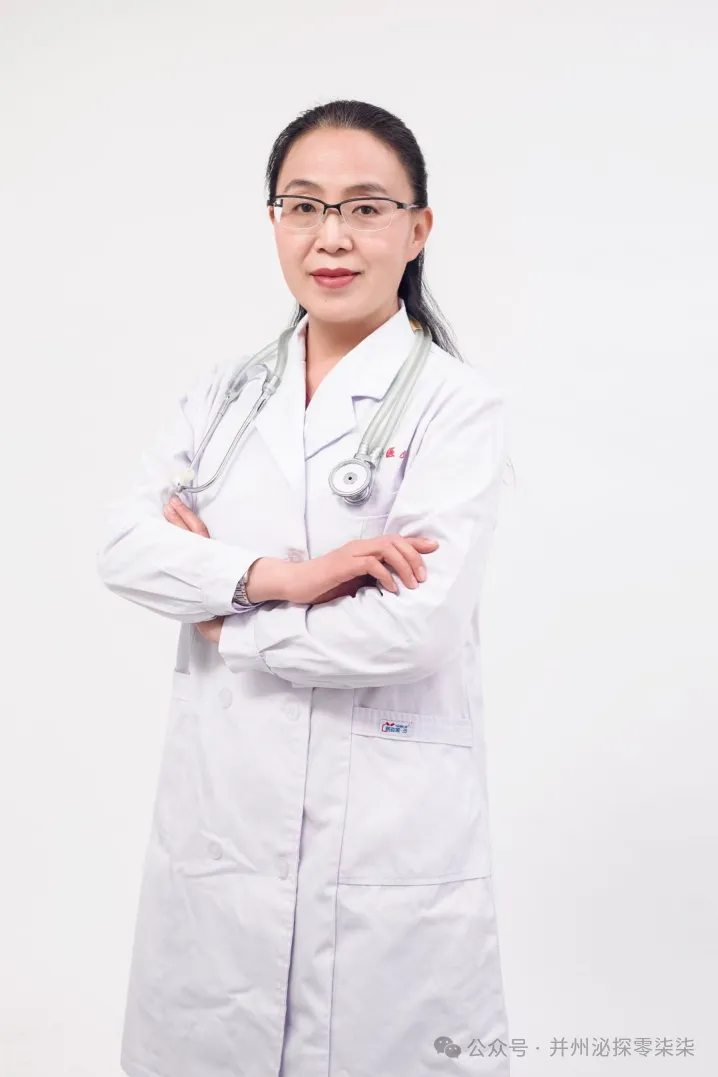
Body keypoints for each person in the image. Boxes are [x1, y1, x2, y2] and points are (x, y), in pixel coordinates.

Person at [97, 98, 512, 1077]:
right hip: (223, 818)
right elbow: (124, 546)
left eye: (366, 208)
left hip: (381, 840)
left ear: (417, 228)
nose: (332, 236)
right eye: (304, 205)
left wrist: (227, 622)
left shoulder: (456, 407)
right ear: (275, 220)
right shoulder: (224, 395)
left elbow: (412, 630)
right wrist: (284, 579)